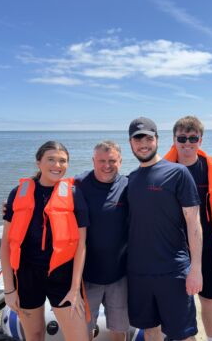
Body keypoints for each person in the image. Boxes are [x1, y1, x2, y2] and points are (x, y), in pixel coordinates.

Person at [0, 141, 90, 341]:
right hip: (26, 276)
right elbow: (5, 245)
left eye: (62, 161)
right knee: (35, 334)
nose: (57, 165)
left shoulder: (74, 195)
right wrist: (9, 290)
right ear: (38, 162)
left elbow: (81, 245)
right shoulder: (17, 193)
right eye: (51, 159)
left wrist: (75, 289)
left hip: (63, 276)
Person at [126, 117, 203, 341]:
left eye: (148, 138)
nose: (143, 144)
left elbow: (193, 223)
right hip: (138, 273)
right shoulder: (130, 179)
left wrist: (195, 269)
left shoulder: (177, 173)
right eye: (137, 139)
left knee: (183, 335)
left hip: (173, 271)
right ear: (130, 143)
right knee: (150, 331)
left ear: (157, 140)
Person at [164, 116, 212, 341]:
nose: (187, 143)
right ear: (173, 139)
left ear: (200, 140)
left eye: (192, 138)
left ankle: (211, 339)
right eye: (182, 138)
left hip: (207, 242)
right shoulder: (164, 169)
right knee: (176, 298)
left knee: (208, 298)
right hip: (173, 244)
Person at [74, 141, 130, 341]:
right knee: (84, 330)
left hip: (119, 276)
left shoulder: (127, 184)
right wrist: (11, 205)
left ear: (120, 161)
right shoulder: (78, 184)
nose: (107, 165)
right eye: (102, 161)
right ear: (93, 161)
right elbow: (46, 193)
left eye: (112, 160)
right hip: (87, 276)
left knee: (119, 329)